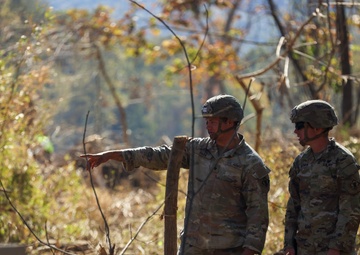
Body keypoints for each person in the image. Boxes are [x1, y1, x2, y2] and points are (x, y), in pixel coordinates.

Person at [81, 94, 271, 255]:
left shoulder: (251, 164)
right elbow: (159, 155)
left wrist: (251, 250)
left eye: (212, 121)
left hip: (229, 249)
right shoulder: (197, 149)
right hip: (192, 247)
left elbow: (258, 214)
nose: (208, 125)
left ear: (229, 122)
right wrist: (113, 155)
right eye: (206, 121)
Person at [283, 100, 360, 255]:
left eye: (299, 126)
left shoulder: (343, 161)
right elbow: (294, 206)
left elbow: (350, 210)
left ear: (316, 126)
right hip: (303, 248)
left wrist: (336, 247)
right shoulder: (301, 161)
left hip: (333, 250)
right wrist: (289, 243)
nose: (295, 132)